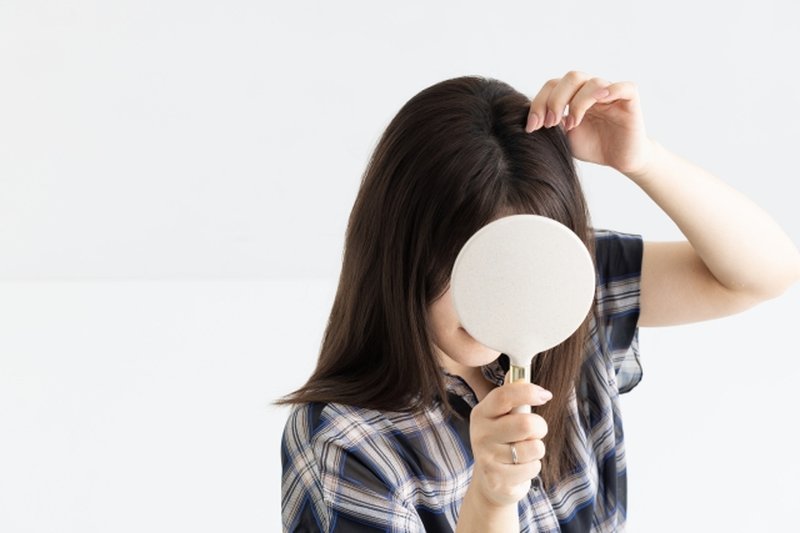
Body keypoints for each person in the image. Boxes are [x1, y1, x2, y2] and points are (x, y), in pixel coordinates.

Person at [276, 71, 800, 532]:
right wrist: (490, 500)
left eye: (515, 259)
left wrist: (642, 160)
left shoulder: (561, 289)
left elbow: (762, 276)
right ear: (401, 250)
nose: (497, 294)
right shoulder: (344, 445)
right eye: (467, 264)